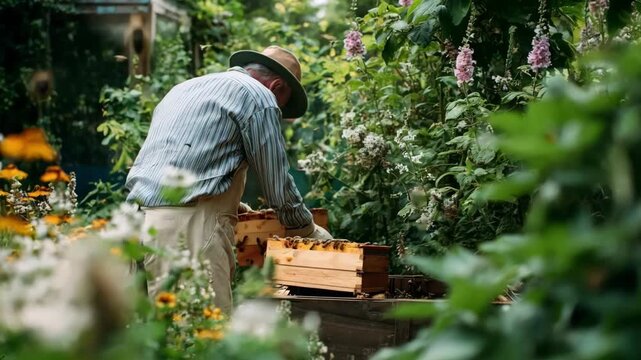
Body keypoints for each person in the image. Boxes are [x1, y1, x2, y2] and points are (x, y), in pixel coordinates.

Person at [125, 46, 332, 313]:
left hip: (134, 225)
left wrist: (234, 205)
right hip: (187, 232)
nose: (279, 110)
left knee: (147, 344)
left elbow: (185, 160)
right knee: (198, 341)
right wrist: (306, 229)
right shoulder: (258, 96)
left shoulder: (183, 90)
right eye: (283, 104)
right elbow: (277, 183)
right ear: (277, 87)